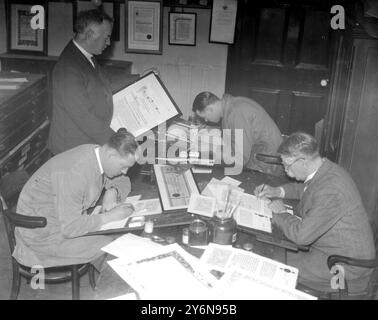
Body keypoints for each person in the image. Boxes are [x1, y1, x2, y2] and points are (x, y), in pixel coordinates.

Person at [254, 132, 376, 293]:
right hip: (330, 251)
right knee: (267, 254)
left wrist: (281, 213)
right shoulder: (325, 170)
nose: (285, 171)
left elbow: (301, 236)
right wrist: (278, 191)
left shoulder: (332, 189)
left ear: (303, 161)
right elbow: (306, 188)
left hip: (343, 268)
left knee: (270, 264)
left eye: (287, 165)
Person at [13, 128, 139, 268]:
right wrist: (109, 216)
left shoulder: (97, 154)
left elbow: (123, 181)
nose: (124, 171)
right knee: (114, 248)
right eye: (123, 166)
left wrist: (112, 192)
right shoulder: (75, 172)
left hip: (63, 222)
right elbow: (70, 228)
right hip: (43, 235)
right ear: (111, 155)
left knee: (125, 238)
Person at [47, 9, 115, 155]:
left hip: (86, 144)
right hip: (71, 152)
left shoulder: (85, 56)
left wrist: (140, 77)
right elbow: (84, 116)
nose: (109, 42)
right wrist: (116, 141)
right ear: (90, 35)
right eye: (107, 37)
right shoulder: (69, 67)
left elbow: (102, 84)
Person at [192, 92, 283, 176]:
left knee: (218, 174)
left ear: (209, 109)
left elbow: (240, 159)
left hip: (266, 162)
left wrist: (208, 147)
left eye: (205, 118)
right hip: (260, 153)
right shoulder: (232, 104)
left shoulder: (236, 113)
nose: (206, 121)